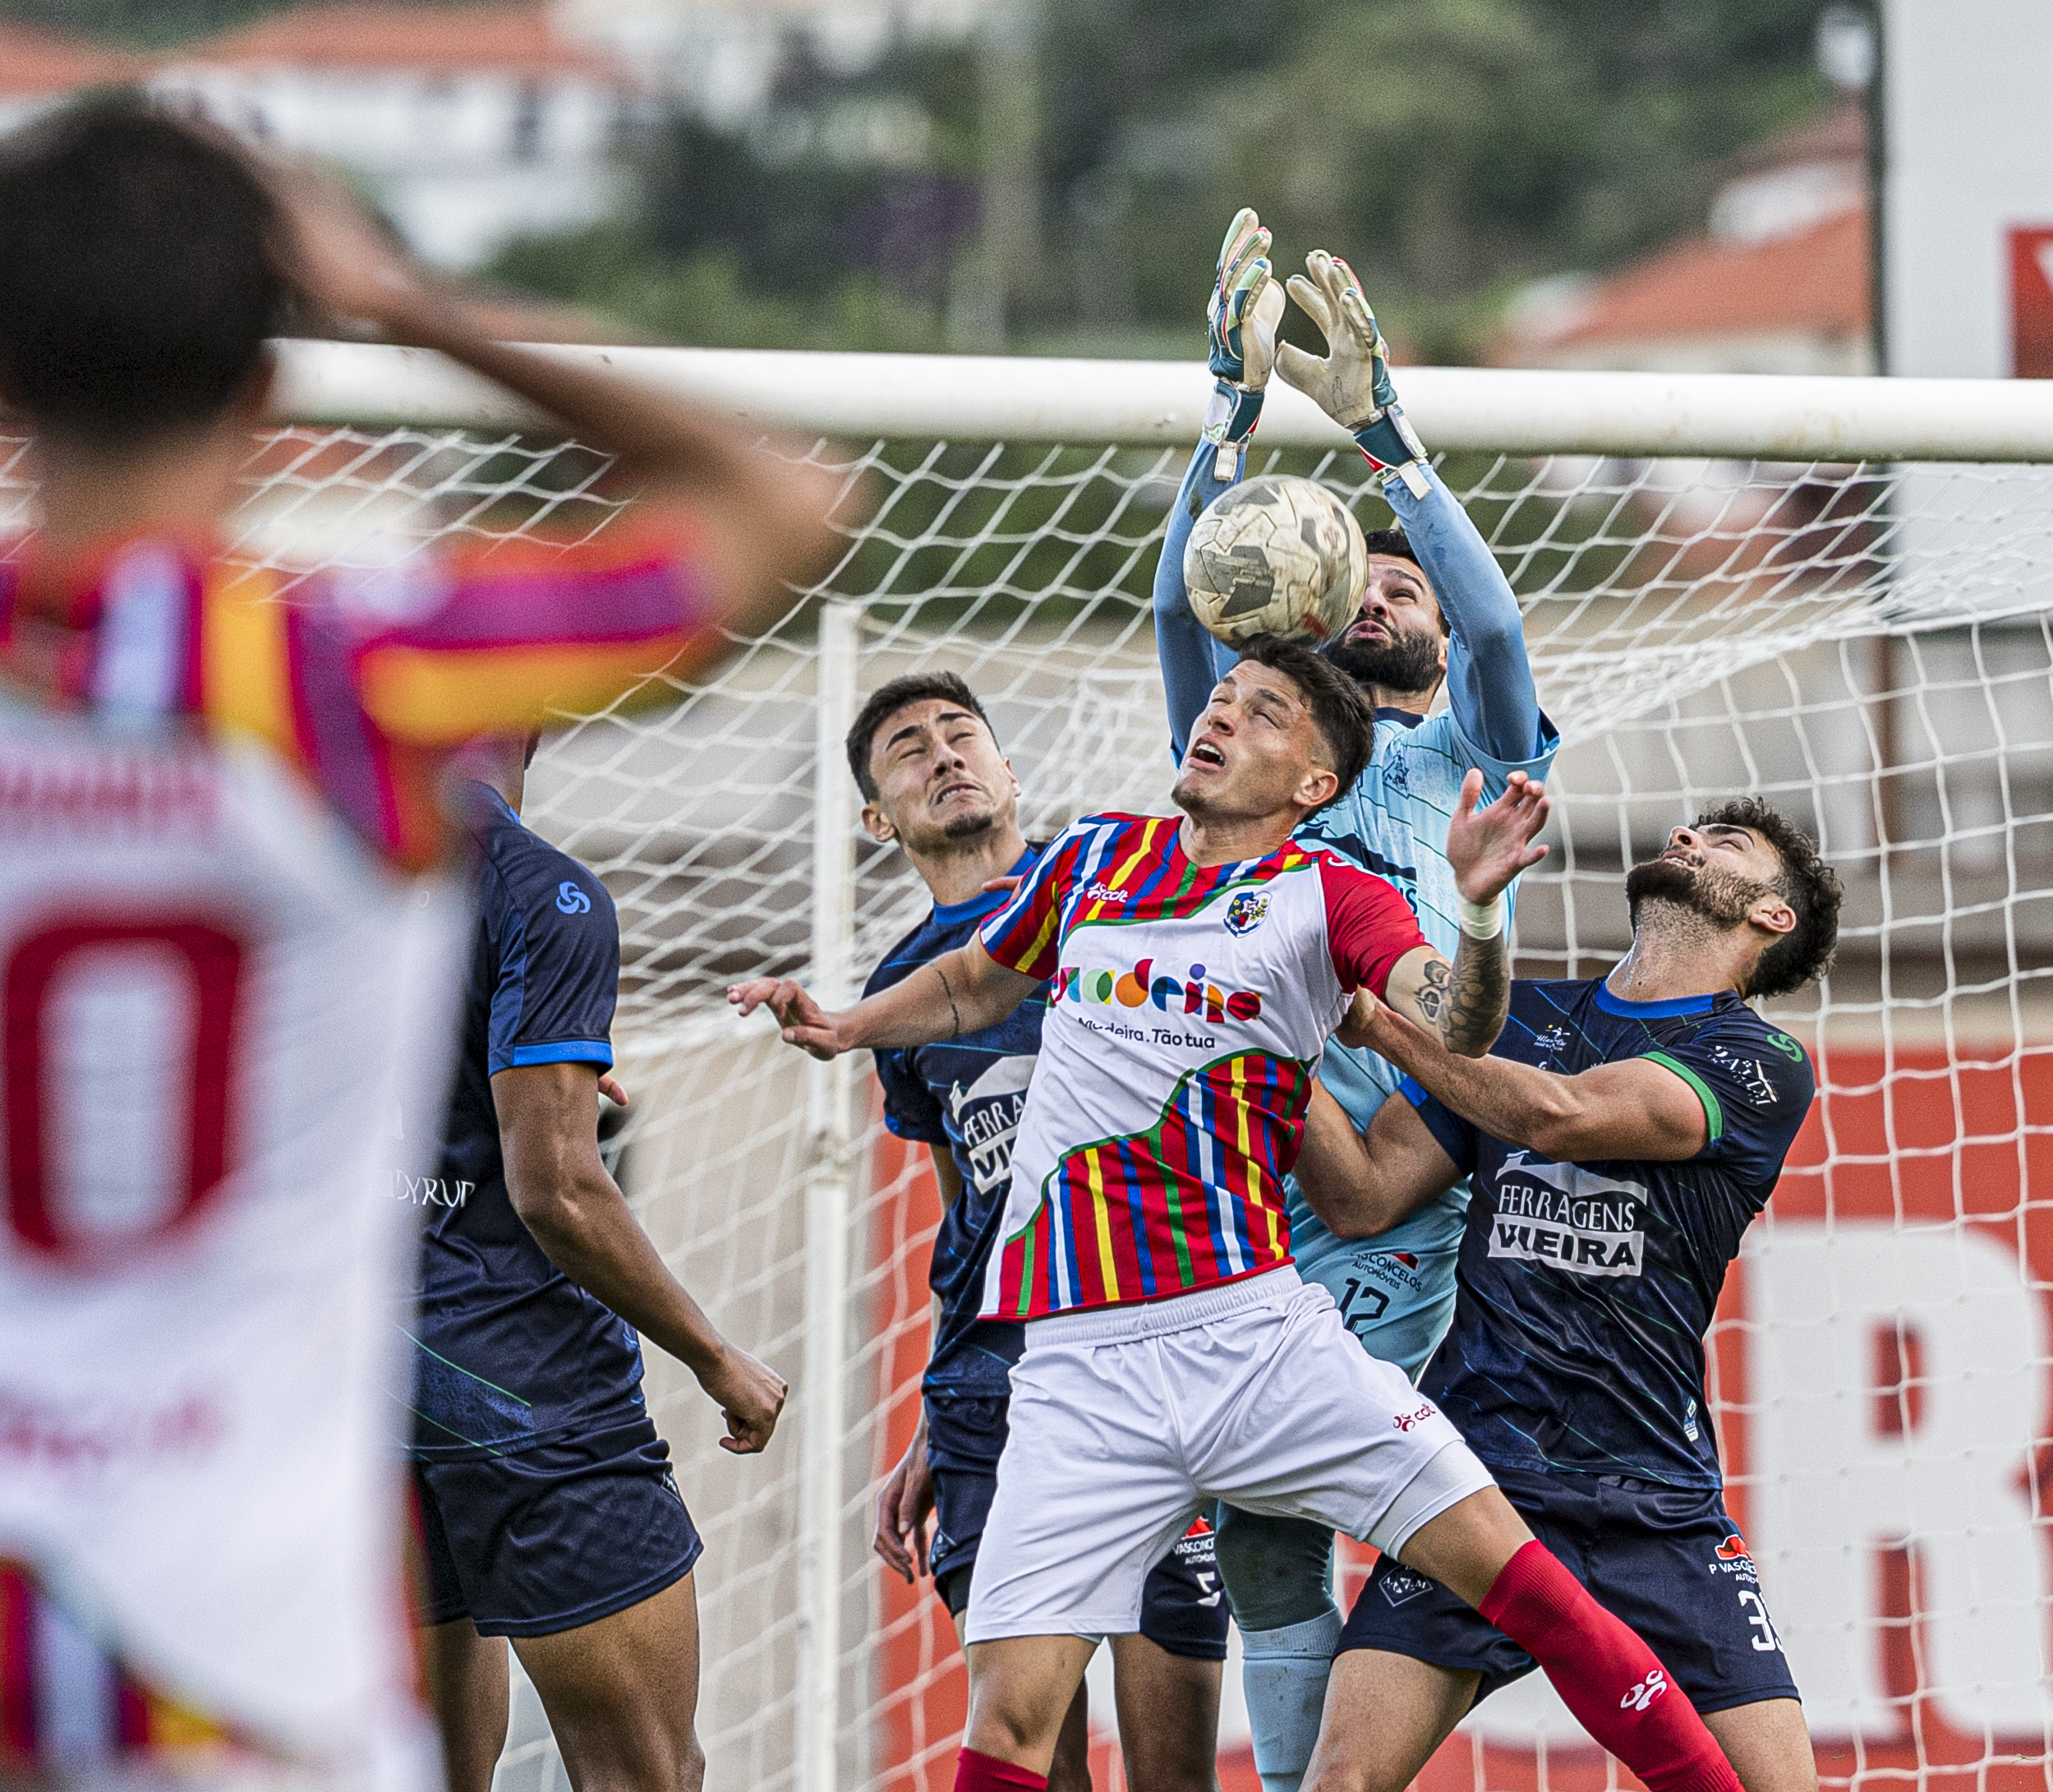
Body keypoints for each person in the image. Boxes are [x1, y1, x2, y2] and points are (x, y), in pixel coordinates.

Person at [0, 95, 839, 1790]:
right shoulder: (353, 686)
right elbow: (780, 497)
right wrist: (406, 302)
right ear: (267, 383)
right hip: (236, 1643)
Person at [731, 635, 1753, 1792]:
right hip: (1076, 1371)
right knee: (1010, 1723)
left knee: (1533, 1590)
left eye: (1263, 712)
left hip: (1255, 1338)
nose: (1219, 717)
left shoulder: (1334, 895)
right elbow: (978, 980)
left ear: (1316, 781)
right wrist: (846, 1025)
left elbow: (1457, 1023)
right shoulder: (1095, 853)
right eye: (1221, 700)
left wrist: (1472, 912)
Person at [1149, 210, 1563, 1792]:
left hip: (1399, 1185)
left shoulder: (1471, 752)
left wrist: (1387, 443)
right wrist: (1228, 421)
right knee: (1263, 1556)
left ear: (1436, 642)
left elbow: (1501, 627)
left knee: (1375, 1508)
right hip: (1237, 1173)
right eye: (1360, 583)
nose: (1384, 596)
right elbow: (1181, 618)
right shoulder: (1264, 753)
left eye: (1406, 587)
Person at [1287, 799, 1841, 1792]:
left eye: (1725, 843)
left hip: (1654, 1501)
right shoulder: (1517, 1019)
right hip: (1478, 1488)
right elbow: (1362, 1196)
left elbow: (1556, 1115)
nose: (1686, 838)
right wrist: (1268, 1045)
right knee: (1341, 1781)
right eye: (1687, 830)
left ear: (1772, 915)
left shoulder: (1762, 1066)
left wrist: (1372, 1025)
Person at [853, 670, 1227, 1792]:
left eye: (961, 735)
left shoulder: (1117, 900)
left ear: (1010, 773)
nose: (942, 755)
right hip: (989, 1406)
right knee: (1033, 1768)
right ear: (879, 820)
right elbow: (969, 1215)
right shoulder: (897, 992)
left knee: (1173, 1777)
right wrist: (933, 1417)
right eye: (908, 750)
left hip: (1145, 1375)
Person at [414, 735, 786, 1792]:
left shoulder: (340, 863)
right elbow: (558, 1191)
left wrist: (524, 1090)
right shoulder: (541, 890)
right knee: (646, 1772)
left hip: (367, 1387)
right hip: (525, 1396)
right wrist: (714, 1357)